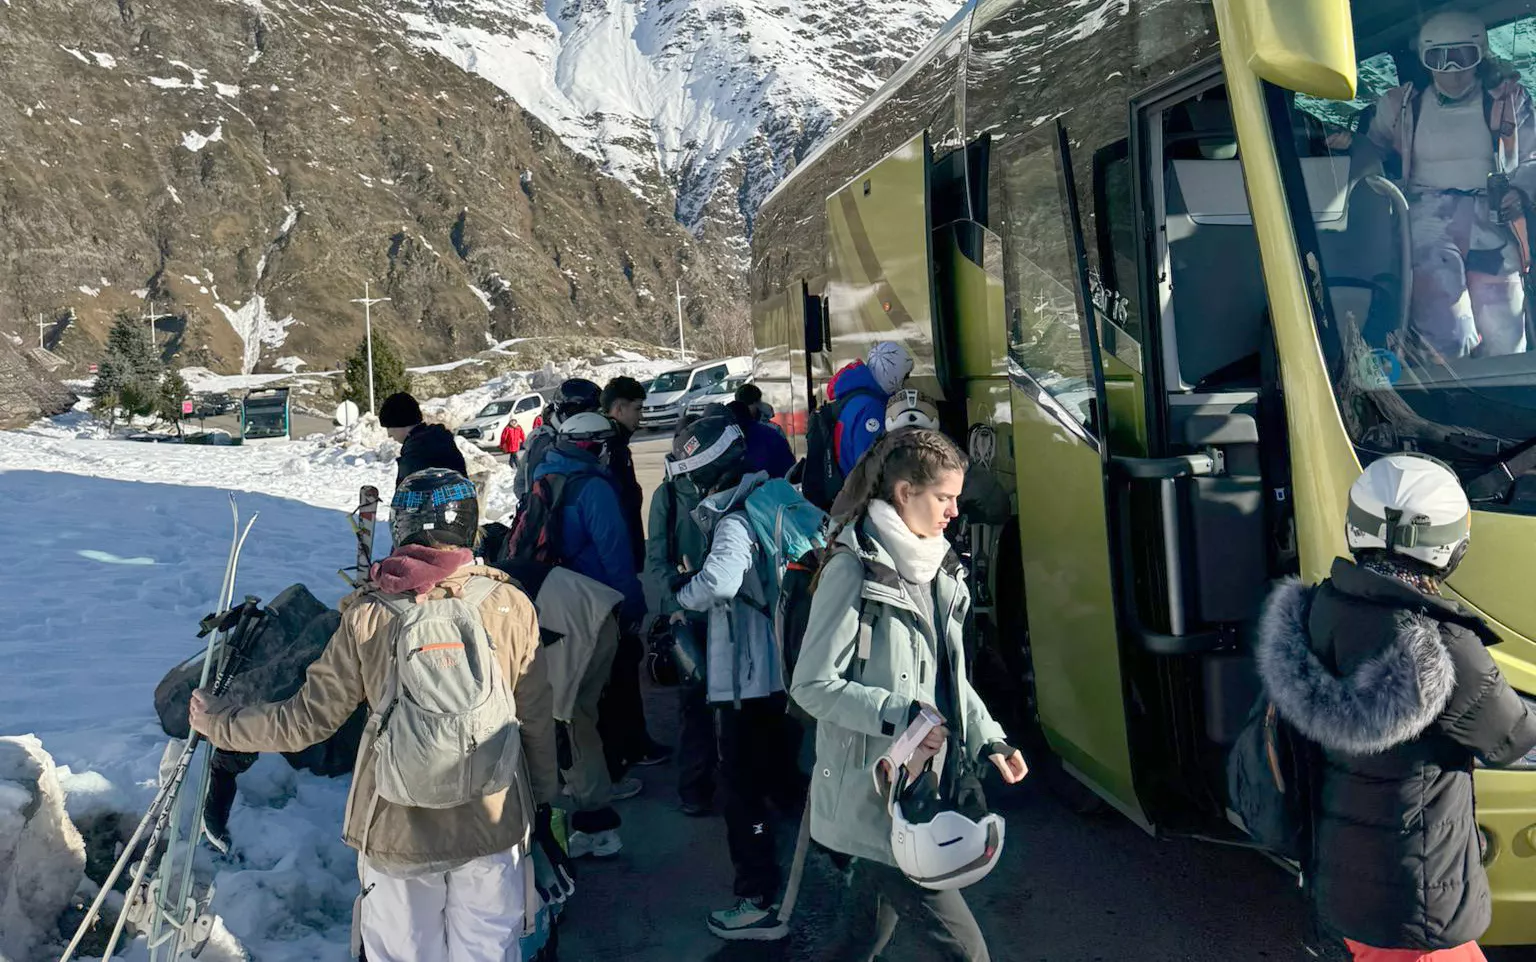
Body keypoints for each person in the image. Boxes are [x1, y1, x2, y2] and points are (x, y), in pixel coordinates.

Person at [189, 469, 560, 962]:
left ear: (400, 526)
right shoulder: (510, 605)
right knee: (490, 952)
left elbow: (305, 721)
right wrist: (541, 804)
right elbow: (534, 718)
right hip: (494, 823)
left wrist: (220, 723)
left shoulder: (369, 615)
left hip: (396, 832)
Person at [1256, 453, 1536, 962]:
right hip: (1417, 899)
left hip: (1339, 875)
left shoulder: (1315, 611)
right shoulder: (1445, 648)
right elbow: (1512, 738)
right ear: (1449, 549)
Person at [792, 429, 1026, 962]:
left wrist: (989, 738)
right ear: (904, 493)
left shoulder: (939, 567)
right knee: (967, 951)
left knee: (859, 938)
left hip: (914, 790)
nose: (954, 512)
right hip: (872, 798)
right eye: (943, 498)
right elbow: (811, 685)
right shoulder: (852, 569)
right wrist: (902, 715)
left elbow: (948, 678)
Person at [670, 415, 804, 941]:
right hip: (787, 671)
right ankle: (812, 876)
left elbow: (720, 584)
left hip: (748, 679)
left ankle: (759, 900)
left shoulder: (735, 520)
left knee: (742, 790)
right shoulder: (776, 496)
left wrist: (684, 593)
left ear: (704, 474)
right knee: (783, 778)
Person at [1353, 10, 1535, 358]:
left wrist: (1519, 190)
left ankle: (1502, 389)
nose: (1451, 70)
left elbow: (1532, 156)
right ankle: (1449, 387)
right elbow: (1370, 152)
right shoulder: (1400, 105)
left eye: (1462, 57)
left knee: (1505, 335)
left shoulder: (1508, 101)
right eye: (1438, 58)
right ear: (1425, 59)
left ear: (1480, 55)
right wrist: (1346, 144)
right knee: (1445, 331)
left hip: (1493, 220)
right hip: (1428, 221)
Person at [532, 411, 656, 796]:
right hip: (595, 604)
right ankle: (606, 778)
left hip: (553, 595)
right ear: (595, 446)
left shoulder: (545, 473)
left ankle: (569, 777)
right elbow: (615, 555)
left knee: (567, 694)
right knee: (601, 697)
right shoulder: (594, 489)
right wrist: (633, 606)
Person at [645, 414, 713, 816]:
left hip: (733, 613)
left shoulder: (731, 485)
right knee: (695, 705)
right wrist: (674, 609)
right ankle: (695, 788)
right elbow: (656, 558)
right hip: (690, 616)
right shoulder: (668, 496)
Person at [830, 341, 914, 476]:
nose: (906, 383)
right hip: (858, 487)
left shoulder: (857, 398)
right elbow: (871, 466)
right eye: (905, 376)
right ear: (893, 375)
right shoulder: (871, 409)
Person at [513, 378, 601, 501]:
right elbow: (523, 484)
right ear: (568, 412)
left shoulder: (584, 437)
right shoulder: (546, 441)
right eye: (585, 414)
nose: (589, 421)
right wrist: (537, 506)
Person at [601, 375, 649, 570]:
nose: (641, 416)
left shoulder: (615, 445)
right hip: (616, 560)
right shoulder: (608, 451)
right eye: (637, 409)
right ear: (619, 408)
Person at [380, 392, 467, 485]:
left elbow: (407, 492)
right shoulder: (440, 439)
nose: (389, 435)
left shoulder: (415, 452)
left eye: (389, 428)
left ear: (400, 424)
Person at [726, 398, 795, 479]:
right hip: (787, 479)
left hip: (772, 481)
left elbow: (755, 469)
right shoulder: (770, 430)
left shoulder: (745, 438)